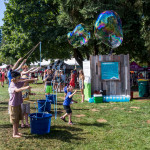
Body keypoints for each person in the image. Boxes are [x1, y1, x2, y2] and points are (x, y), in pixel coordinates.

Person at [8, 71, 31, 138]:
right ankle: (14, 134)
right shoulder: (12, 84)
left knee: (18, 119)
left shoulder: (18, 82)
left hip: (18, 103)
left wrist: (33, 79)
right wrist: (25, 88)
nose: (20, 78)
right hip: (13, 105)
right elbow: (17, 90)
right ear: (14, 78)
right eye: (18, 77)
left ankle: (17, 132)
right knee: (15, 120)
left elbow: (26, 81)